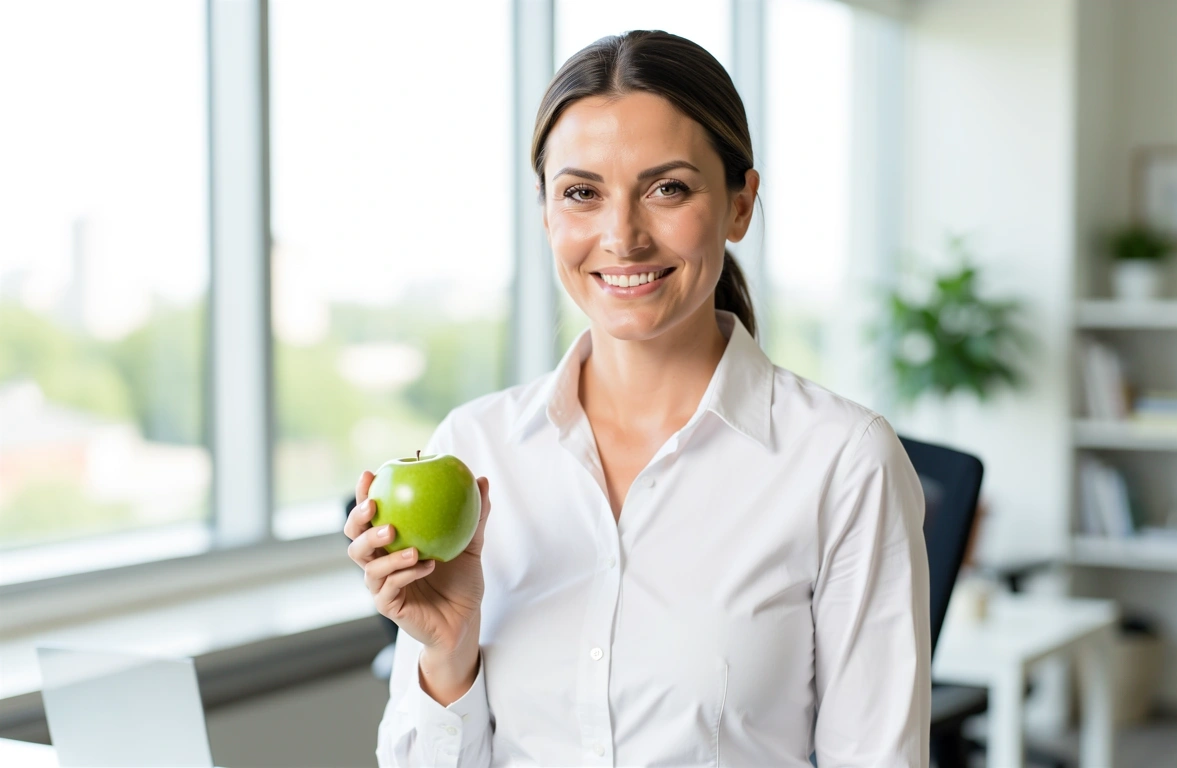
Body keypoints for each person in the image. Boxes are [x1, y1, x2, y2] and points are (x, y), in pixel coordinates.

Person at [346, 30, 930, 768]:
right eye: (582, 193)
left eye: (668, 189)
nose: (621, 236)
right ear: (547, 210)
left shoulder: (842, 463)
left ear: (740, 205)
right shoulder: (477, 447)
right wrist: (448, 649)